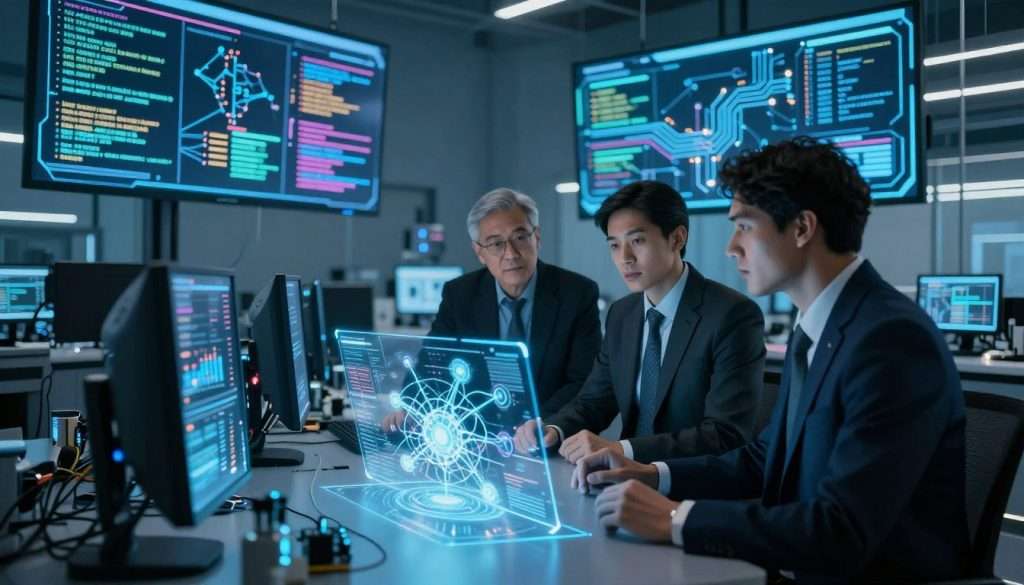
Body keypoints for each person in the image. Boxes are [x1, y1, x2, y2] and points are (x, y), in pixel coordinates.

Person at [572, 138, 968, 584]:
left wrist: (675, 519)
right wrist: (652, 474)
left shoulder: (889, 339)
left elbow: (840, 530)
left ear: (801, 228)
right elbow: (763, 461)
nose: (731, 248)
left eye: (744, 226)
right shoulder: (821, 328)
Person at [514, 180, 765, 464]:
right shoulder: (622, 314)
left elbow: (724, 434)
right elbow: (594, 401)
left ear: (677, 238)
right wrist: (553, 429)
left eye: (637, 241)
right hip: (620, 477)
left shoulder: (732, 315)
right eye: (614, 245)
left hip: (690, 481)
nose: (625, 258)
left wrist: (625, 450)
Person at [384, 188, 601, 424]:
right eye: (496, 244)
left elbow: (583, 381)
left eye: (520, 238)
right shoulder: (460, 295)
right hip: (479, 432)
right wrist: (411, 408)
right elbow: (430, 364)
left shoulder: (577, 294)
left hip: (552, 432)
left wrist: (541, 425)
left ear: (537, 238)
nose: (511, 254)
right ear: (479, 252)